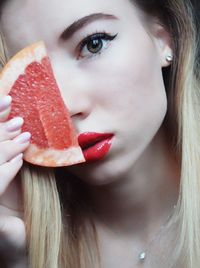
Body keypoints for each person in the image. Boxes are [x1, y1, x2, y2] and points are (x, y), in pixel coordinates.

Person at [0, 0, 199, 267]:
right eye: (36, 81)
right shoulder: (20, 243)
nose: (68, 107)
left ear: (163, 36)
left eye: (94, 43)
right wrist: (21, 260)